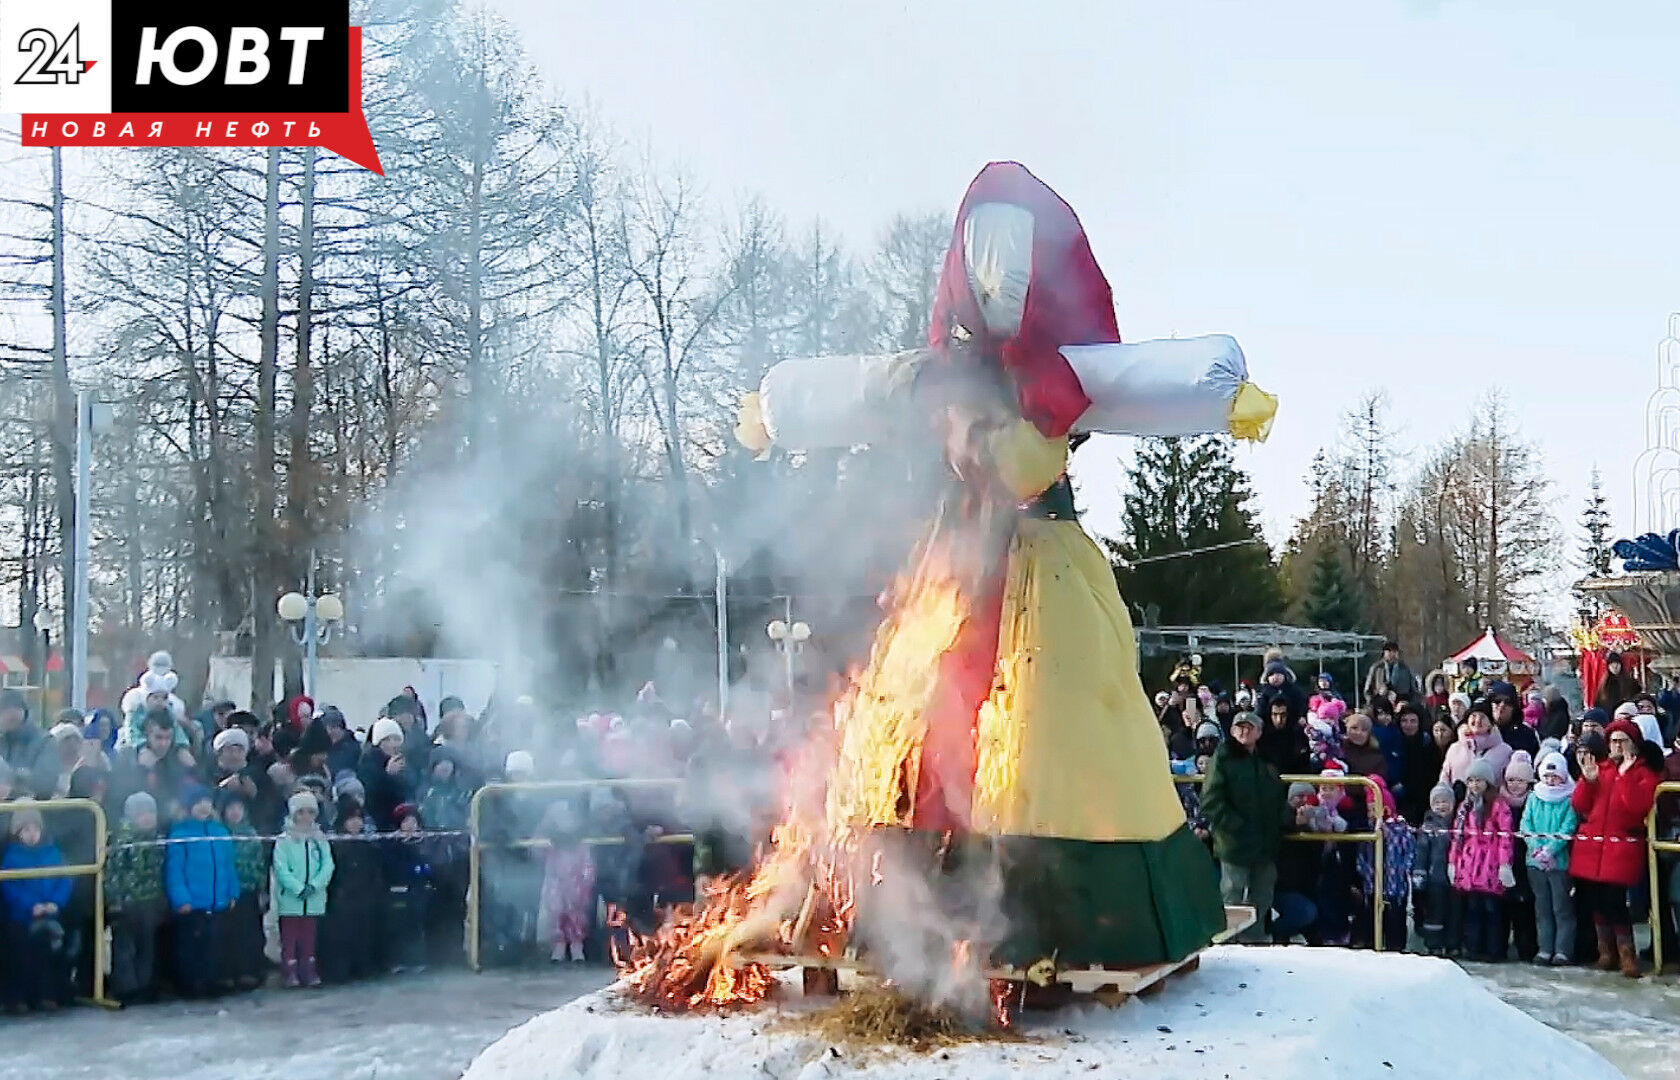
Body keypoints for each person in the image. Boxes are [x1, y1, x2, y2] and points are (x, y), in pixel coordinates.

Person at [1571, 719, 1662, 977]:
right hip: (1593, 847)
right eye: (1614, 741)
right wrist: (1587, 782)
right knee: (1596, 902)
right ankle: (1606, 952)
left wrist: (1624, 777)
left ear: (1633, 744)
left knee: (1615, 903)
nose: (1618, 746)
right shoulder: (1599, 769)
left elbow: (1636, 807)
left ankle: (1627, 955)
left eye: (1623, 740)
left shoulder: (1645, 773)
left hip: (1620, 848)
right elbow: (1580, 805)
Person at [1199, 711, 1287, 943]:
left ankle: (1256, 940)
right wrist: (1233, 826)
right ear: (1232, 731)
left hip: (1265, 842)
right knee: (1232, 894)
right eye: (1240, 727)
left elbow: (1277, 796)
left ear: (1259, 732)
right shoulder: (1223, 758)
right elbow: (1210, 800)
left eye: (1249, 727)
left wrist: (1283, 821)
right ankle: (1226, 942)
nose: (1244, 731)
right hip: (1234, 842)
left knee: (1263, 894)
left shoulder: (1266, 759)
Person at [164, 784, 239, 997]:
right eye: (198, 803)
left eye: (207, 802)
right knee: (190, 946)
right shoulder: (180, 833)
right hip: (193, 903)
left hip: (217, 901)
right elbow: (174, 870)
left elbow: (229, 866)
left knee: (213, 944)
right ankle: (190, 984)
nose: (204, 807)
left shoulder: (220, 831)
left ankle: (211, 980)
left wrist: (232, 892)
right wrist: (181, 898)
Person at [0, 803, 72, 1011]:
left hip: (49, 914)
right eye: (26, 830)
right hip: (21, 916)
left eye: (35, 829)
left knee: (50, 954)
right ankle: (18, 998)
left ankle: (48, 995)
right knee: (21, 955)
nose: (32, 834)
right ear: (17, 833)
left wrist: (55, 903)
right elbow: (8, 888)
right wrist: (30, 907)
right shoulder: (11, 857)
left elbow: (65, 880)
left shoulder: (53, 853)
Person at [1448, 758, 1515, 962]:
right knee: (1473, 909)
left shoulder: (1498, 806)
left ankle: (1494, 949)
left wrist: (1505, 864)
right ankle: (1474, 947)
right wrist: (1453, 862)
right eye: (1471, 780)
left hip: (1490, 864)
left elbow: (1506, 836)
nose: (1475, 785)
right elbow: (1456, 836)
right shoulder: (1464, 807)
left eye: (1479, 780)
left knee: (1492, 910)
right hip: (1469, 864)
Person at [105, 791, 166, 1003]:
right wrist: (114, 901)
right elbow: (112, 873)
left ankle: (145, 984)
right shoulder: (122, 841)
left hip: (150, 902)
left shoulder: (159, 840)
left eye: (150, 813)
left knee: (147, 946)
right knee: (125, 948)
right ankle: (126, 988)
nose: (147, 818)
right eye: (141, 814)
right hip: (127, 904)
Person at [1520, 751, 1578, 967]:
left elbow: (1568, 827)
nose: (1551, 780)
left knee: (1561, 907)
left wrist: (1551, 850)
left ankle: (1563, 949)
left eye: (1555, 777)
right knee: (1542, 907)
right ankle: (1544, 948)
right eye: (1547, 776)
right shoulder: (1534, 797)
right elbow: (1526, 825)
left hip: (1559, 862)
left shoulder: (1568, 800)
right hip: (1535, 862)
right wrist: (1536, 849)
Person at [272, 790, 334, 988]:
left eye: (310, 812)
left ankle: (309, 969)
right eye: (301, 812)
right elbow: (281, 868)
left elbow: (328, 865)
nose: (306, 817)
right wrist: (298, 888)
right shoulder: (284, 840)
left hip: (314, 899)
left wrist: (315, 885)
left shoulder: (319, 839)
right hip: (291, 899)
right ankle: (289, 971)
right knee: (290, 938)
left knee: (309, 937)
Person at [322, 801, 383, 983]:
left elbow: (374, 871)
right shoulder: (335, 844)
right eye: (351, 819)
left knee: (364, 934)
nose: (356, 823)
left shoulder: (367, 844)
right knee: (341, 937)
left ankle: (363, 967)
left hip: (364, 897)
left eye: (359, 819)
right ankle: (341, 970)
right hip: (342, 898)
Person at [217, 790, 268, 990]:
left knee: (252, 934)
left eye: (239, 808)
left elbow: (261, 863)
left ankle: (251, 971)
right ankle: (232, 972)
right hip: (229, 892)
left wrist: (262, 888)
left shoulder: (252, 834)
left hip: (250, 891)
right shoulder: (221, 834)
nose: (235, 812)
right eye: (231, 809)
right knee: (230, 935)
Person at [537, 801, 596, 962]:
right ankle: (558, 947)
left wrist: (586, 881)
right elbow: (540, 854)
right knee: (555, 912)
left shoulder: (582, 846)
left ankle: (577, 947)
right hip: (556, 882)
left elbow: (588, 866)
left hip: (577, 883)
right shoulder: (551, 846)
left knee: (577, 914)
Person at [1414, 783, 1456, 956]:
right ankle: (1433, 944)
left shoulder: (1458, 824)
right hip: (1435, 878)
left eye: (1445, 801)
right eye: (1437, 802)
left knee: (1453, 912)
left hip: (1455, 877)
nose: (1441, 806)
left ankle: (1452, 943)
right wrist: (1420, 875)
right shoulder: (1428, 827)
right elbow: (1421, 853)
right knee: (1434, 912)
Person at [1440, 703, 1512, 796]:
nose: (1477, 720)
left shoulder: (1505, 751)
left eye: (1482, 717)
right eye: (1473, 716)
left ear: (1490, 723)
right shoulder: (1455, 748)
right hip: (1459, 805)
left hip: (1493, 806)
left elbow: (1508, 781)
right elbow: (1445, 776)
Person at [360, 717, 415, 831]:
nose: (393, 744)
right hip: (379, 823)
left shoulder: (404, 762)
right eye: (387, 740)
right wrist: (388, 775)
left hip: (401, 823)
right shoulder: (368, 762)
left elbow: (410, 790)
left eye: (396, 739)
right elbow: (371, 793)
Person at [1489, 682, 1540, 760]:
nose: (1502, 705)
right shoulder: (1480, 731)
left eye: (1508, 702)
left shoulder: (1526, 735)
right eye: (1497, 701)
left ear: (1514, 708)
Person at [1341, 712, 1388, 783]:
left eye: (1364, 729)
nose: (1359, 732)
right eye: (1354, 728)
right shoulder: (1337, 752)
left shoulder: (1377, 758)